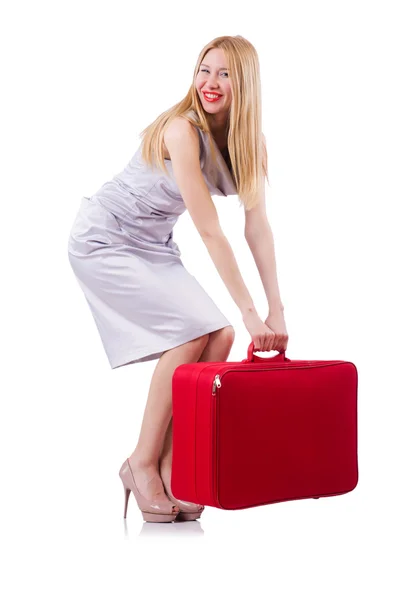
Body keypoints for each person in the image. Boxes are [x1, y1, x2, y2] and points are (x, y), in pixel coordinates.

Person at [67, 35, 289, 523]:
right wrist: (253, 314)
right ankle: (140, 463)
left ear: (244, 83)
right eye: (204, 70)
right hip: (106, 238)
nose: (210, 83)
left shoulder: (250, 144)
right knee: (195, 332)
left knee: (220, 334)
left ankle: (169, 466)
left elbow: (258, 228)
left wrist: (276, 309)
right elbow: (211, 231)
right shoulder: (180, 130)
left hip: (153, 245)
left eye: (225, 74)